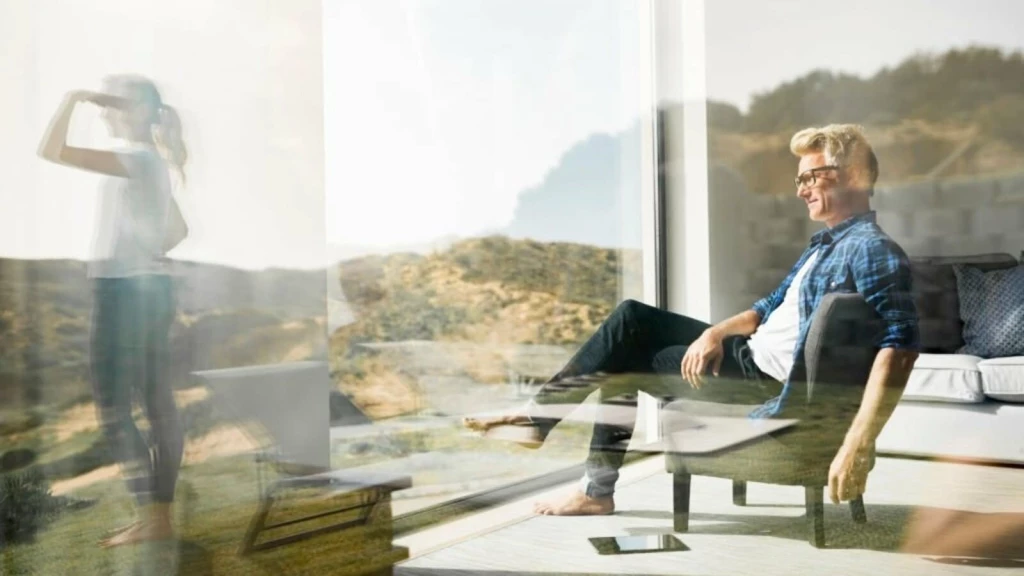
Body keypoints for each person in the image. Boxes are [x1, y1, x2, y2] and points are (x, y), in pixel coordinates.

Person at [465, 124, 920, 516]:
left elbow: (900, 346)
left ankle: (581, 474)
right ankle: (551, 436)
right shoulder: (825, 244)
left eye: (811, 177)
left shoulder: (871, 248)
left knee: (623, 359)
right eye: (799, 179)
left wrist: (859, 442)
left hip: (764, 381)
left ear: (855, 175)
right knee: (631, 318)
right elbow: (765, 308)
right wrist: (714, 333)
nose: (800, 189)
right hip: (746, 355)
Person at [37, 75, 189, 546]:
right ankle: (156, 519)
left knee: (113, 409)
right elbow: (178, 229)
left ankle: (153, 518)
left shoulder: (139, 158)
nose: (104, 111)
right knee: (156, 406)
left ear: (139, 110)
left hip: (122, 293)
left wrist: (73, 97)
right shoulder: (151, 162)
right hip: (146, 289)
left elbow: (51, 150)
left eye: (113, 103)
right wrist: (146, 251)